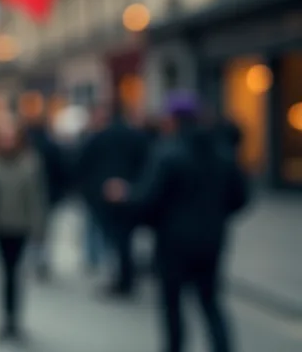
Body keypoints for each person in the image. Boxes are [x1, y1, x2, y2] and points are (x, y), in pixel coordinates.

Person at [105, 92, 250, 352]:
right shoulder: (223, 153)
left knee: (172, 305)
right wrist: (215, 215)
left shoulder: (168, 154)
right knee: (210, 302)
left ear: (172, 119)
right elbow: (240, 198)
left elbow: (147, 199)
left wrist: (124, 195)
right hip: (211, 240)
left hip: (173, 242)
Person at [0, 113, 48, 342]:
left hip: (21, 225)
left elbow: (37, 197)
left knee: (15, 273)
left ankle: (14, 320)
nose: (6, 141)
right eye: (2, 137)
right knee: (4, 273)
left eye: (10, 136)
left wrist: (39, 228)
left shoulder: (30, 161)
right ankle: (5, 320)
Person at [78, 102, 151, 297]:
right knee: (124, 239)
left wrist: (91, 192)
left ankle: (122, 277)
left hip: (105, 198)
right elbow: (148, 165)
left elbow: (82, 164)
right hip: (130, 196)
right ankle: (126, 276)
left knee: (116, 240)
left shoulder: (98, 138)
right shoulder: (137, 137)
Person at [24, 113, 68, 281]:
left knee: (32, 229)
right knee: (46, 230)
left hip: (36, 195)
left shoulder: (29, 147)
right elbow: (61, 170)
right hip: (50, 194)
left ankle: (35, 258)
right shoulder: (52, 146)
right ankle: (42, 258)